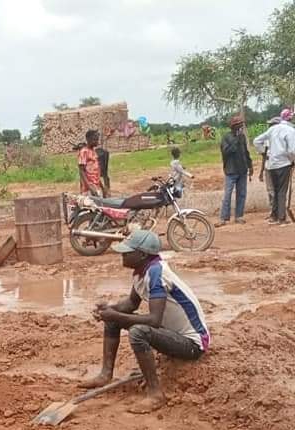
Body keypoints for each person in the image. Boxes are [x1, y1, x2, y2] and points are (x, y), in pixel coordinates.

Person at [81, 229, 209, 414]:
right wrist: (109, 310)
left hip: (192, 343)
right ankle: (105, 374)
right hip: (173, 333)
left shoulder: (157, 273)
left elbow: (154, 320)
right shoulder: (142, 271)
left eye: (127, 251)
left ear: (141, 255)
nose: (122, 254)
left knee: (139, 331)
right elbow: (131, 303)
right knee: (113, 319)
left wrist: (114, 315)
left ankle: (155, 394)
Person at [254, 113, 295, 226]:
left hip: (271, 165)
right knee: (282, 192)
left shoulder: (272, 130)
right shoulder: (290, 130)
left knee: (275, 191)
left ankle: (275, 216)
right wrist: (292, 161)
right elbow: (292, 150)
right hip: (283, 165)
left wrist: (265, 153)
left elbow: (256, 141)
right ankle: (281, 219)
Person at [217, 115, 253, 227]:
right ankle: (223, 218)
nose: (241, 126)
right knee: (228, 194)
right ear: (233, 126)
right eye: (239, 125)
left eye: (242, 124)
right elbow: (227, 152)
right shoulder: (226, 138)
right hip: (231, 171)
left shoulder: (242, 137)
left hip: (242, 169)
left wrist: (250, 165)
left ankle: (239, 216)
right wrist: (236, 140)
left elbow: (245, 152)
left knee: (242, 194)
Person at [77, 130, 102, 196]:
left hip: (96, 187)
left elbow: (96, 172)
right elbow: (81, 171)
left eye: (97, 140)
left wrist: (102, 187)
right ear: (88, 139)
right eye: (95, 140)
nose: (97, 142)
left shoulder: (93, 151)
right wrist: (89, 186)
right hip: (88, 189)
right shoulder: (84, 152)